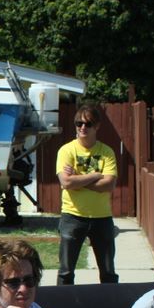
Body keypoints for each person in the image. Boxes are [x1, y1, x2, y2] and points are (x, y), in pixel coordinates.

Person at [55, 104, 118, 285]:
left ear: (97, 126)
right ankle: (64, 302)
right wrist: (95, 176)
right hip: (72, 216)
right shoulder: (66, 150)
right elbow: (66, 182)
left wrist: (78, 179)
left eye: (88, 124)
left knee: (108, 272)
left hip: (102, 217)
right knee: (66, 272)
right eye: (79, 123)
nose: (82, 127)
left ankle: (111, 301)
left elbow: (109, 184)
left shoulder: (106, 152)